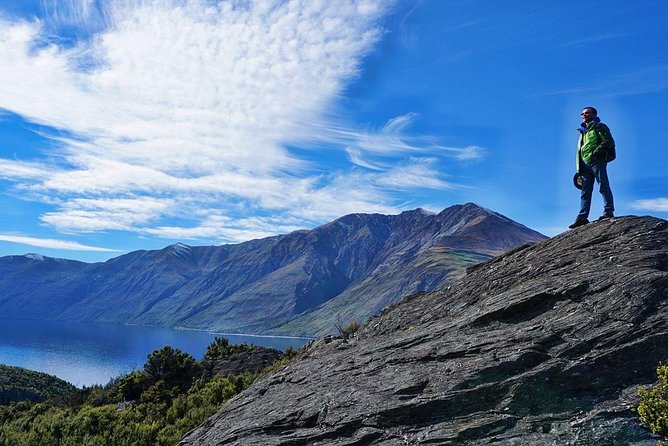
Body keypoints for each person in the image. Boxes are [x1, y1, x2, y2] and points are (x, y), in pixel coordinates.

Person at [568, 106, 615, 229]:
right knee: (585, 192)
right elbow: (580, 150)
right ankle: (582, 217)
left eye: (587, 113)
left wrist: (595, 153)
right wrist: (578, 170)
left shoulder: (600, 127)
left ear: (594, 114)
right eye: (582, 113)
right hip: (584, 165)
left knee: (603, 185)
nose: (584, 115)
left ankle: (608, 211)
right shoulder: (582, 131)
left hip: (596, 161)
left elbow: (608, 142)